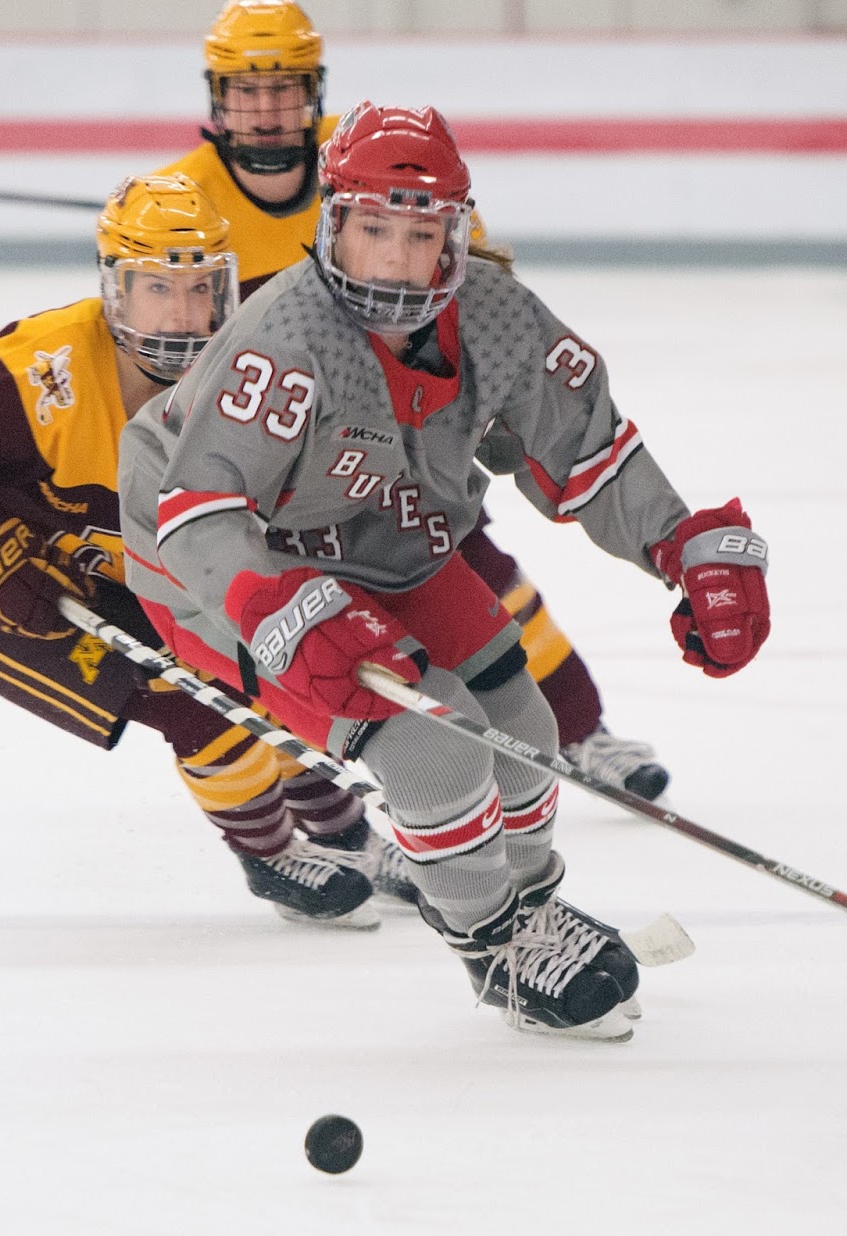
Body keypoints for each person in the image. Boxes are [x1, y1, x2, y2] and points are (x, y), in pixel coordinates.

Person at [117, 105, 772, 1040]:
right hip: (226, 560)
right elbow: (201, 508)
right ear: (332, 223)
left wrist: (680, 544)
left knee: (525, 727)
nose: (393, 260)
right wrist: (277, 608)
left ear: (454, 238)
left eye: (419, 235)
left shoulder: (496, 314)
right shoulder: (286, 334)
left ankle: (526, 909)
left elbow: (589, 452)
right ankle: (491, 948)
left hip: (387, 533)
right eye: (372, 229)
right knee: (433, 748)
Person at [0, 174, 413, 930]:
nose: (183, 315)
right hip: (19, 587)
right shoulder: (41, 370)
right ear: (115, 290)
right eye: (157, 288)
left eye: (201, 288)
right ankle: (269, 854)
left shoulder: (248, 362)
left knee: (269, 674)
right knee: (200, 706)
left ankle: (349, 838)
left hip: (141, 568)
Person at [150, 0, 672, 802]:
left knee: (489, 587)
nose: (266, 110)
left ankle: (577, 729)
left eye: (284, 88)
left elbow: (465, 276)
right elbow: (169, 332)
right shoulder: (186, 196)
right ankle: (373, 781)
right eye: (246, 90)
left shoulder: (372, 163)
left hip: (403, 432)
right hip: (282, 457)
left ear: (314, 90)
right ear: (218, 96)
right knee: (265, 617)